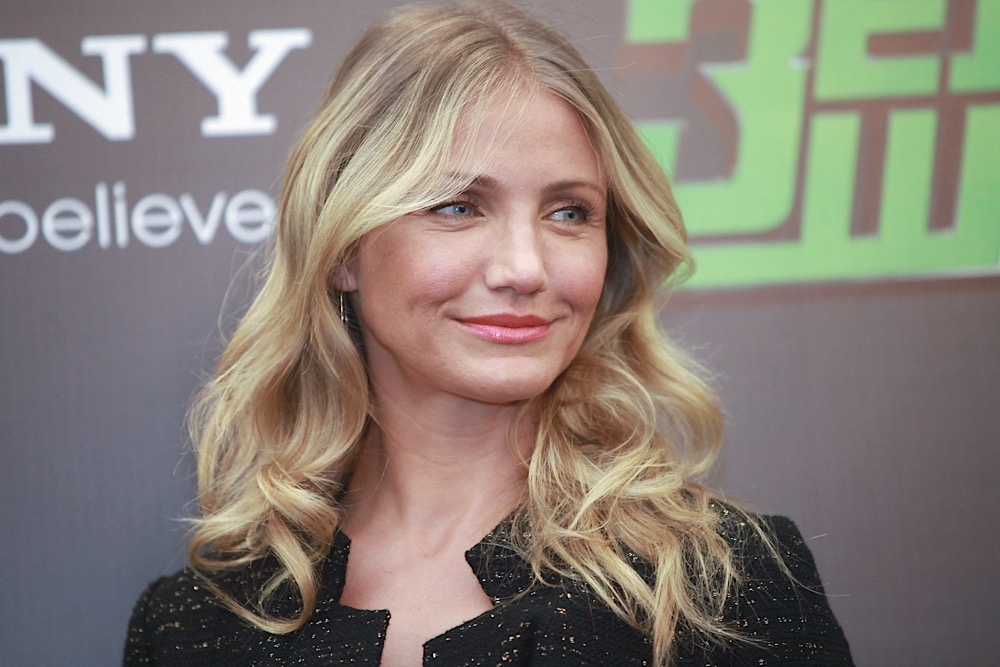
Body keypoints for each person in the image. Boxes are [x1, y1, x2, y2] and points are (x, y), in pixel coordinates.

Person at [124, 1, 853, 665]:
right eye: (458, 206)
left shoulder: (721, 583)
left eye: (568, 213)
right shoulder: (192, 624)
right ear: (342, 248)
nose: (525, 268)